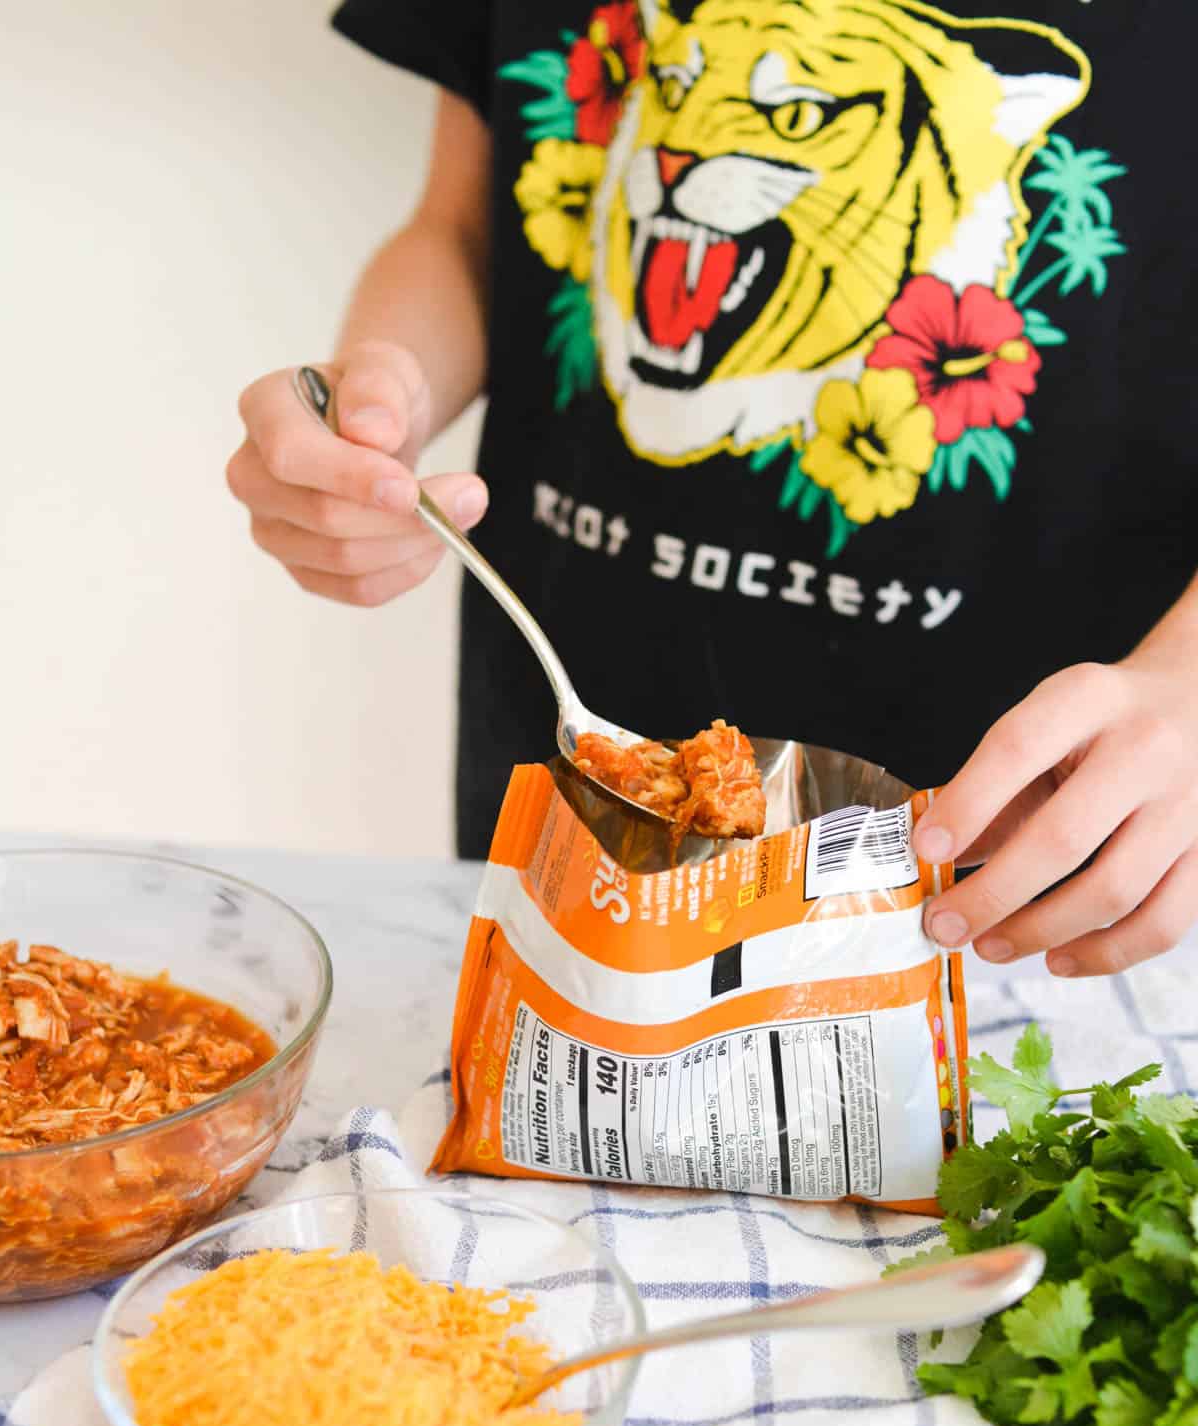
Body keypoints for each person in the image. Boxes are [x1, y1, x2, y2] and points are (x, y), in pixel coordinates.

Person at [227, 0, 1198, 978]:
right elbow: (467, 229)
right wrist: (378, 407)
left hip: (1049, 851)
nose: (687, 153)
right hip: (571, 784)